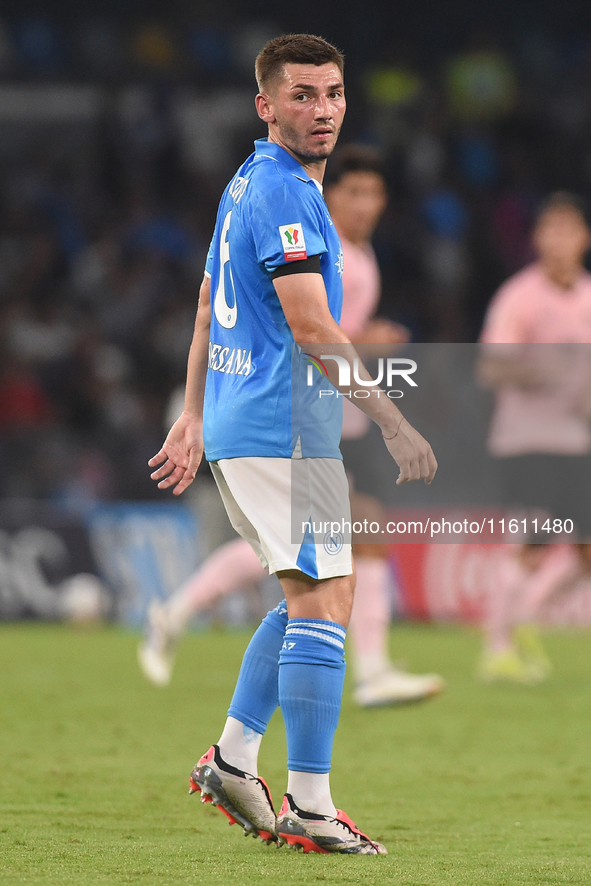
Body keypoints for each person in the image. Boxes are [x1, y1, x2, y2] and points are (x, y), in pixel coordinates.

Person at [148, 34, 437, 855]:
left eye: (334, 93)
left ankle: (236, 759)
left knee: (319, 598)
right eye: (302, 95)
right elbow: (311, 325)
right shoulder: (284, 192)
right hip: (281, 428)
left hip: (258, 423)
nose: (322, 110)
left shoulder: (246, 183)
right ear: (264, 105)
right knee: (321, 601)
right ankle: (310, 807)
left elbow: (209, 305)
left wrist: (193, 412)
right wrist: (392, 417)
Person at [139, 145, 445, 707]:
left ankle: (186, 624)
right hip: (292, 412)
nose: (366, 204)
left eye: (375, 193)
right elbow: (313, 330)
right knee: (316, 561)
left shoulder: (356, 251)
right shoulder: (306, 230)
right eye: (354, 192)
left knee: (332, 547)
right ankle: (345, 689)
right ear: (329, 195)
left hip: (322, 414)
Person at [477, 191, 591, 682]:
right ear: (537, 239)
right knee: (530, 544)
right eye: (551, 231)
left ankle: (523, 617)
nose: (561, 241)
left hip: (575, 439)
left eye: (569, 231)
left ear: (583, 238)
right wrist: (542, 368)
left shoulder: (588, 295)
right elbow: (489, 367)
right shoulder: (519, 297)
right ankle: (496, 649)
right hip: (526, 440)